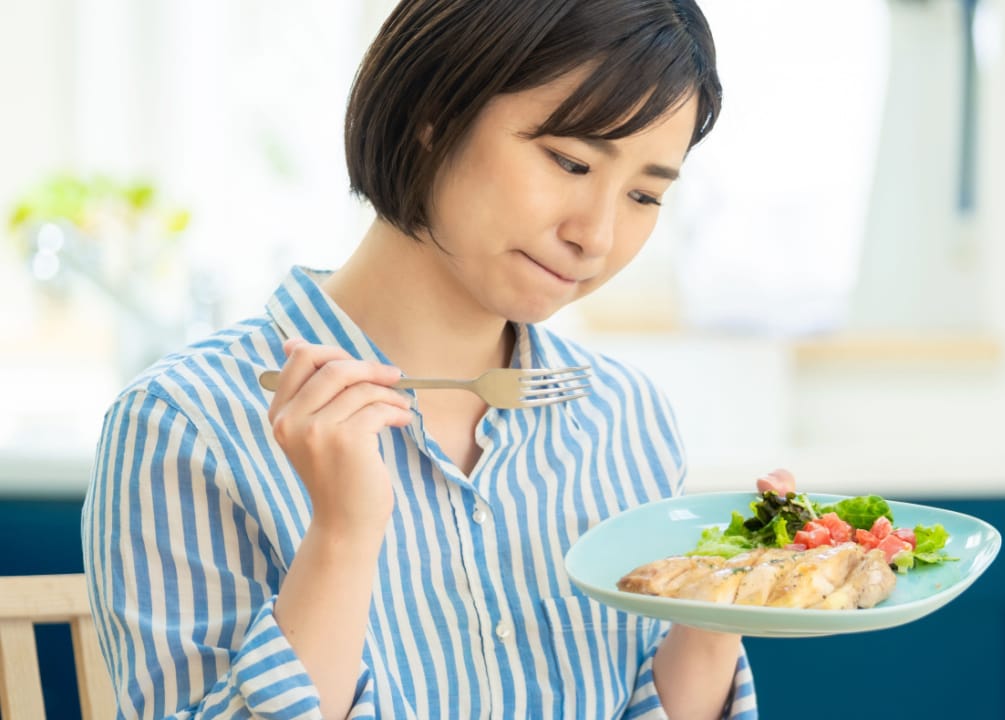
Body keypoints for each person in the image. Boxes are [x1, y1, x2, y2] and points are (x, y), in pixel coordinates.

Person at [82, 1, 763, 718]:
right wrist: (342, 537)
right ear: (432, 113)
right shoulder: (183, 425)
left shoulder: (622, 418)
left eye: (644, 195)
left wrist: (721, 606)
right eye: (570, 161)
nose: (595, 235)